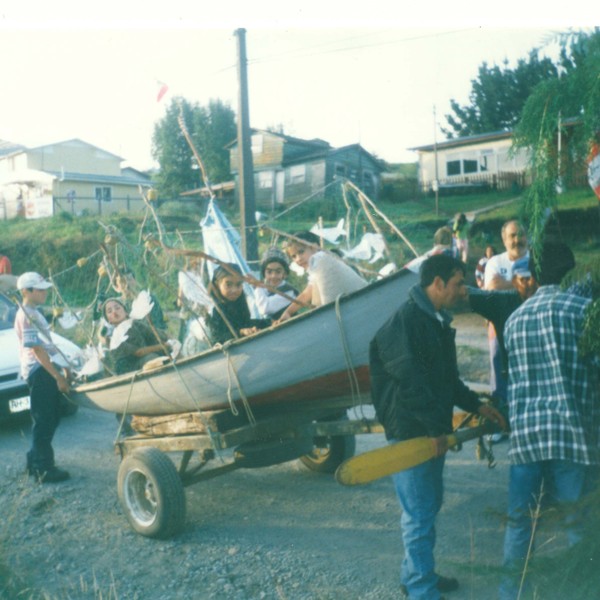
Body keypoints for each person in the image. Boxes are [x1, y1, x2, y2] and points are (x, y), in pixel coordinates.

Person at [369, 254, 506, 600]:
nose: (465, 290)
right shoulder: (407, 322)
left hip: (429, 429)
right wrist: (434, 430)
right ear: (438, 284)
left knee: (427, 506)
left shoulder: (436, 321)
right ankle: (420, 589)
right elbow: (411, 383)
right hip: (411, 432)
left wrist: (478, 406)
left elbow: (449, 381)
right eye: (459, 283)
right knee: (418, 512)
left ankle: (417, 574)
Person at [499, 242, 600, 600]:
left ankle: (511, 594)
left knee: (519, 527)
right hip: (573, 436)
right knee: (579, 527)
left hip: (527, 439)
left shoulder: (514, 320)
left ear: (536, 276)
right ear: (571, 273)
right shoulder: (585, 311)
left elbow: (513, 382)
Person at [14, 272, 71, 483]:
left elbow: (48, 343)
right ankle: (43, 469)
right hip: (39, 371)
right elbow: (37, 350)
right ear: (26, 292)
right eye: (39, 289)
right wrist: (58, 377)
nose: (44, 292)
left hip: (45, 368)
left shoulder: (34, 312)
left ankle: (34, 460)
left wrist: (65, 365)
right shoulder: (26, 316)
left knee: (50, 418)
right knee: (44, 420)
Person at [483, 220, 528, 431]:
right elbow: (490, 288)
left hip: (528, 323)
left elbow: (537, 288)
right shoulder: (494, 261)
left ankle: (523, 421)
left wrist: (506, 282)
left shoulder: (535, 258)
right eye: (512, 236)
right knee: (499, 370)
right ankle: (500, 421)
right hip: (500, 324)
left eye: (520, 235)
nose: (517, 240)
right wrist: (522, 282)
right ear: (504, 239)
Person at [278, 231, 367, 322]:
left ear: (314, 247)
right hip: (356, 302)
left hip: (356, 302)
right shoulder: (318, 267)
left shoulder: (320, 258)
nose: (298, 259)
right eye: (294, 256)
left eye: (301, 252)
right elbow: (307, 293)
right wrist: (288, 312)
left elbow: (317, 293)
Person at [101, 297, 172, 375]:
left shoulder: (134, 324)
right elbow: (138, 352)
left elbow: (153, 333)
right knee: (153, 358)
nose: (114, 312)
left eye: (117, 308)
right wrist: (162, 346)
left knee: (172, 350)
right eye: (110, 311)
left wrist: (168, 340)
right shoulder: (115, 338)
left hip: (143, 359)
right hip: (130, 369)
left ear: (125, 311)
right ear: (109, 320)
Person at [206, 263, 271, 344]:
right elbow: (216, 339)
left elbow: (246, 323)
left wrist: (269, 323)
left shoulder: (239, 302)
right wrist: (241, 332)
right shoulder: (214, 308)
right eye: (228, 285)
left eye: (238, 285)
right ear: (217, 284)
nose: (234, 290)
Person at [254, 247, 299, 320]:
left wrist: (258, 286)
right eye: (269, 272)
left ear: (285, 274)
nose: (273, 276)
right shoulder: (265, 289)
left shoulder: (288, 292)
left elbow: (265, 308)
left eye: (278, 272)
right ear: (264, 273)